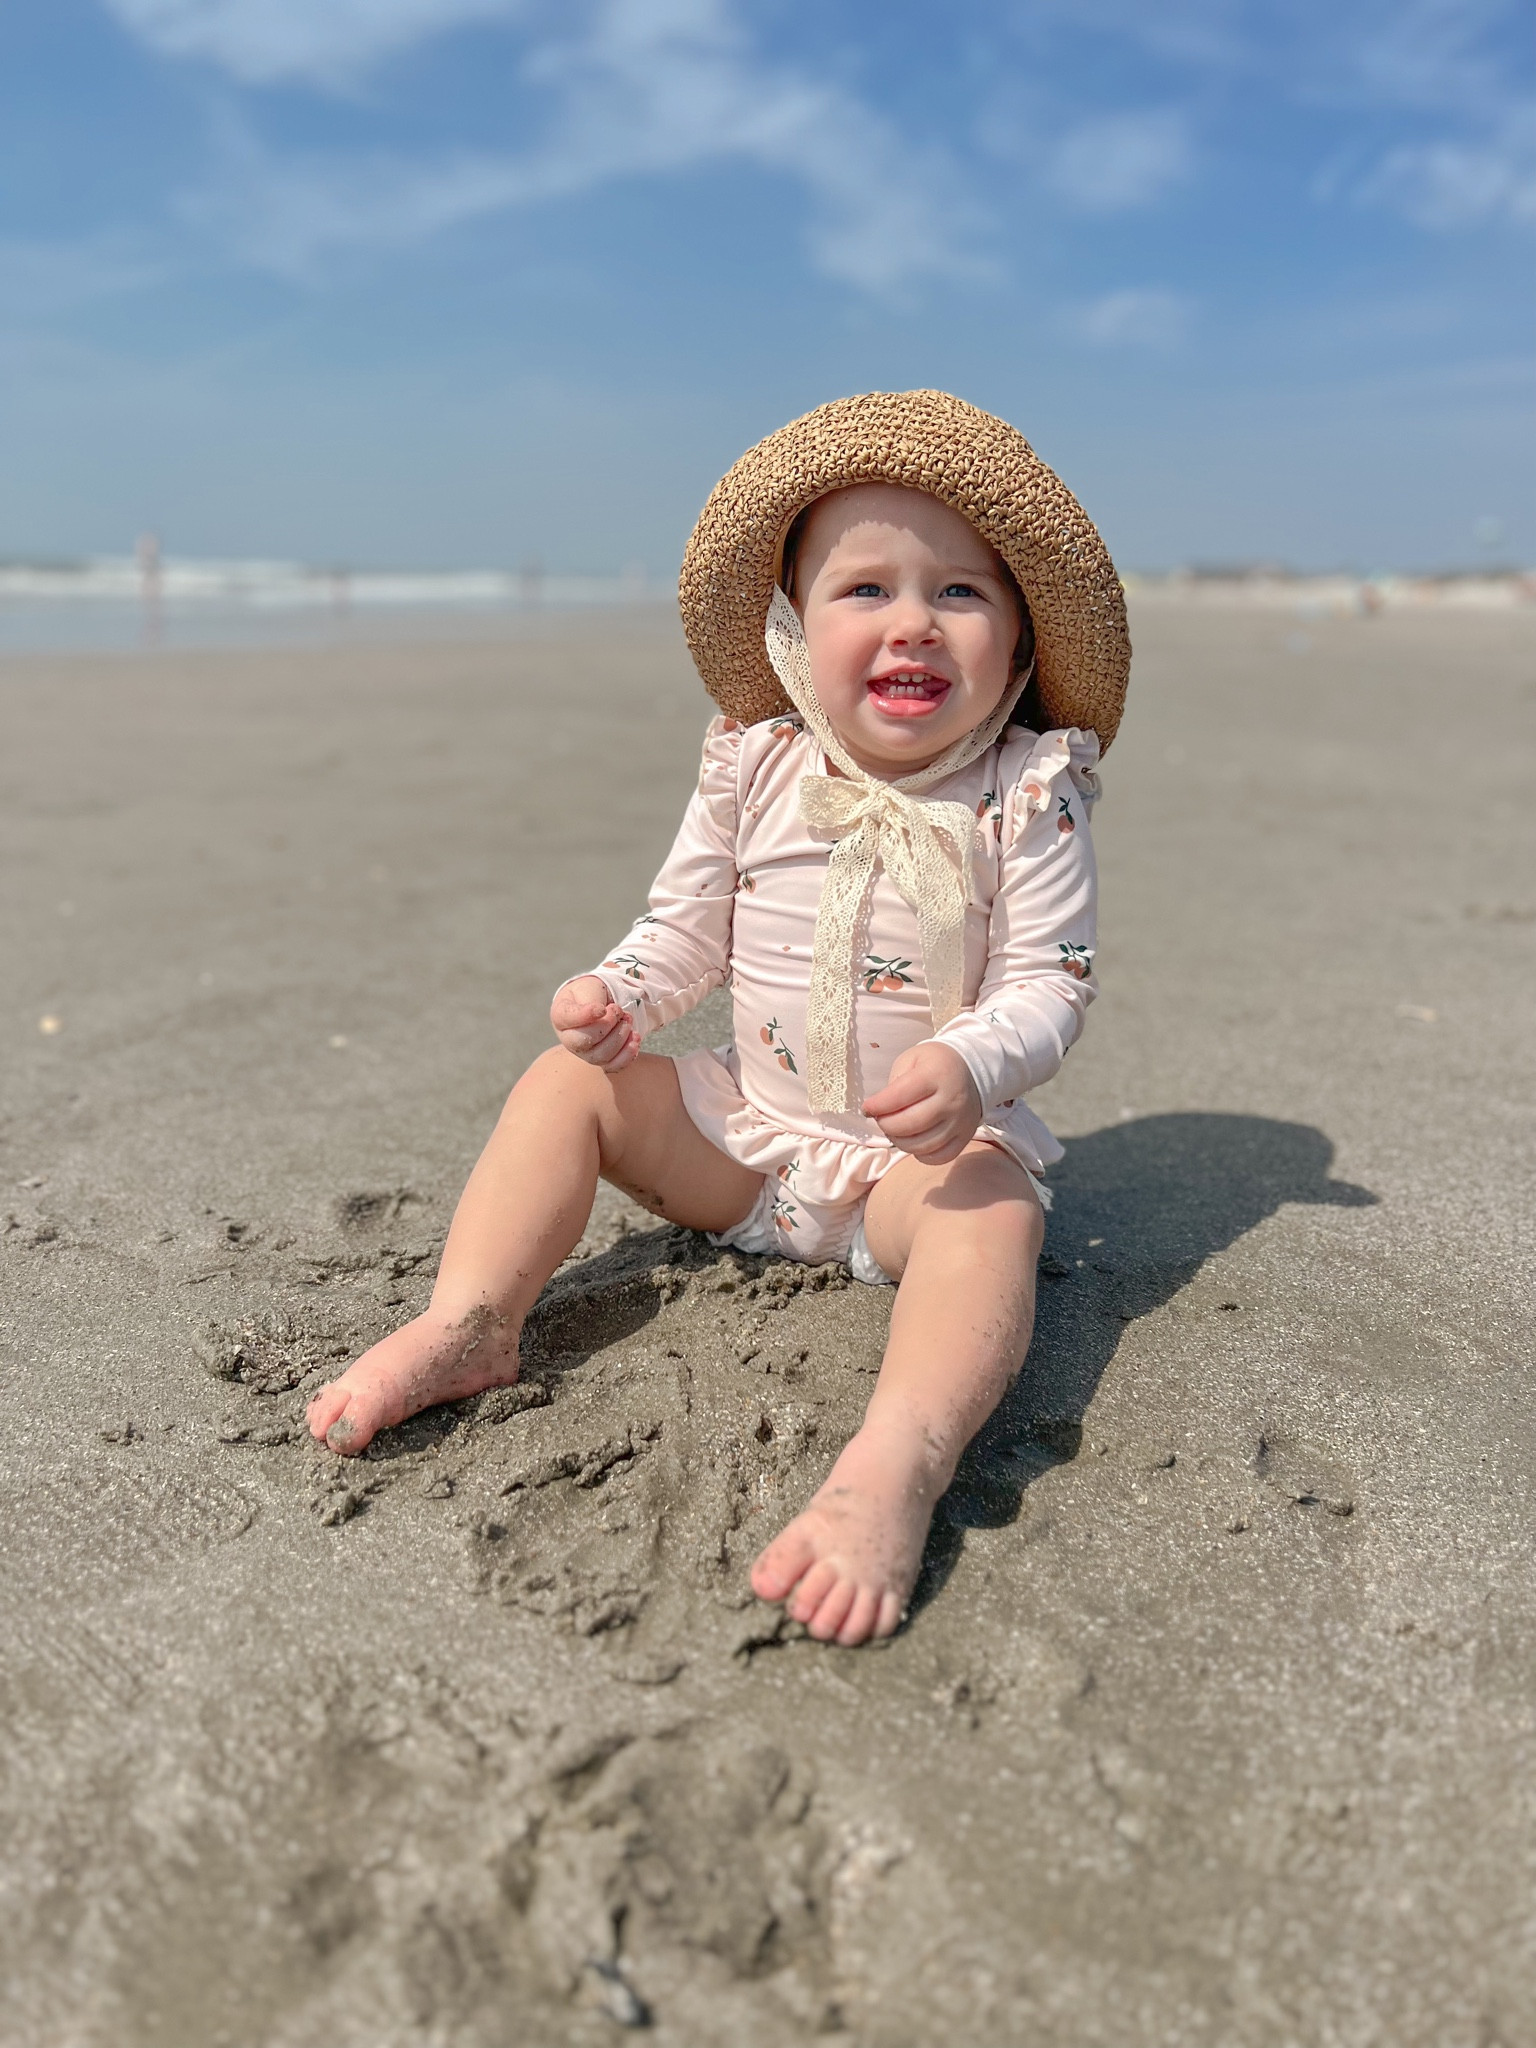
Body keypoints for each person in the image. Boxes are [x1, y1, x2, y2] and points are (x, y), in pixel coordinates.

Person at [307, 391, 1130, 1647]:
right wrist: (621, 993)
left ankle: (894, 1461)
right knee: (563, 1086)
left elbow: (1051, 981)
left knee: (995, 1209)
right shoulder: (756, 762)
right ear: (798, 636)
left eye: (961, 594)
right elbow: (686, 927)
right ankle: (470, 1319)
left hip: (913, 1169)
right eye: (867, 589)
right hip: (745, 1138)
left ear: (1016, 655)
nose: (912, 619)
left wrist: (972, 1063)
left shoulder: (1030, 790)